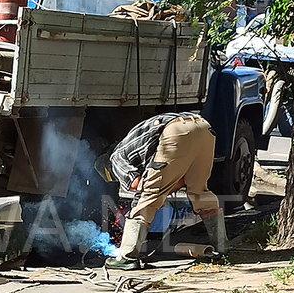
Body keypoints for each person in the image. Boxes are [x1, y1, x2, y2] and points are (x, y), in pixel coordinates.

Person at [96, 112, 228, 270]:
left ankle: (127, 257)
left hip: (177, 132)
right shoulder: (131, 146)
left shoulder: (115, 158)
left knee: (147, 197)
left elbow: (141, 186)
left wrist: (157, 192)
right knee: (199, 191)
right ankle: (222, 247)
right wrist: (164, 186)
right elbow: (179, 180)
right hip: (203, 128)